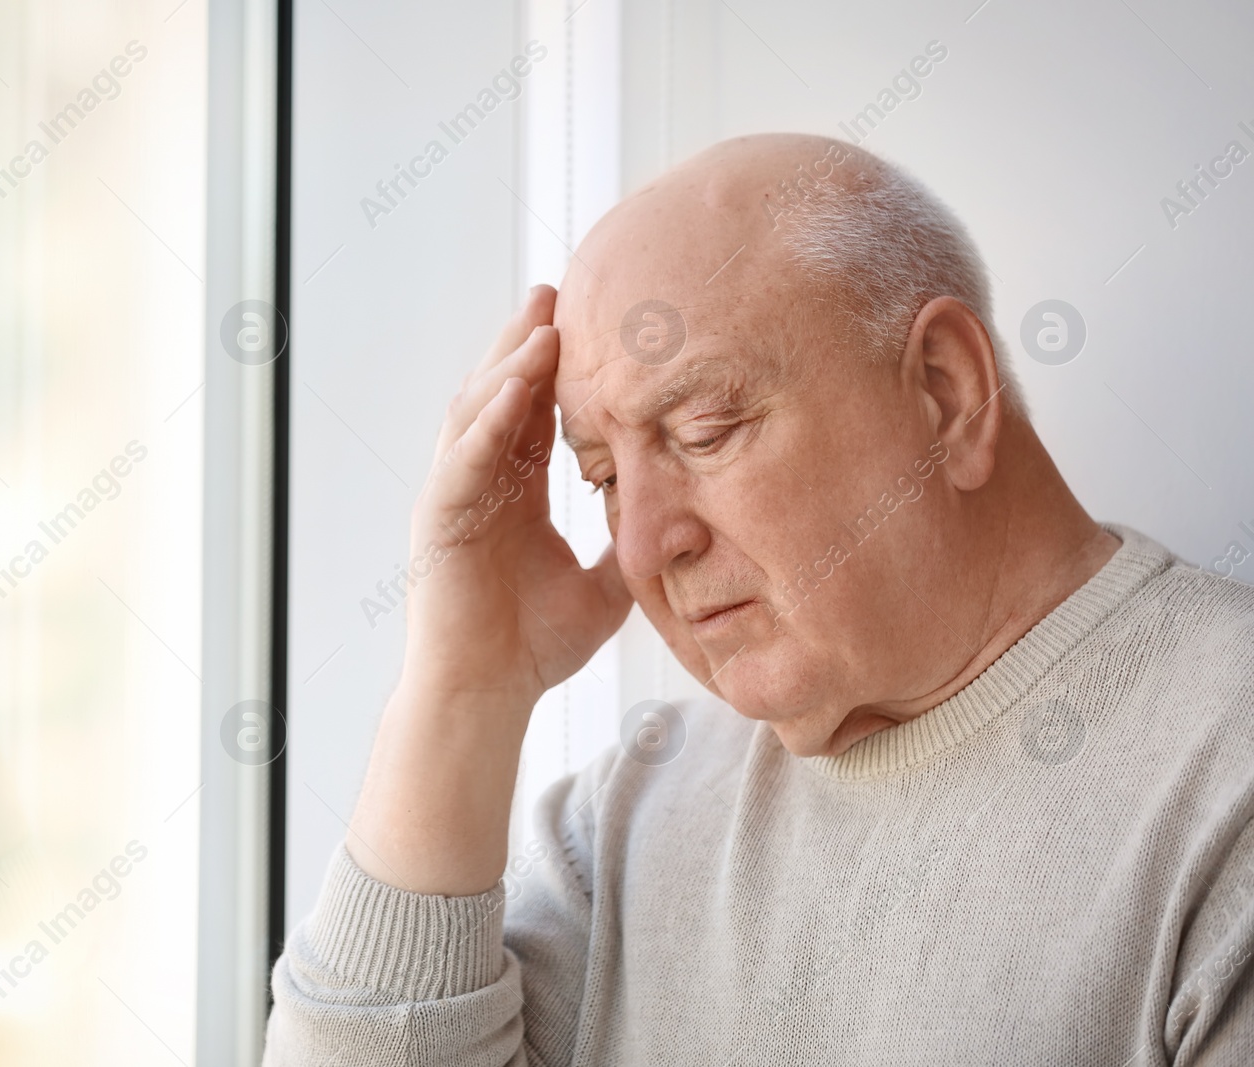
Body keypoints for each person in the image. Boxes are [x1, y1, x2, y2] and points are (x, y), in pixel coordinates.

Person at [264, 134, 1254, 1064]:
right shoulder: (623, 817)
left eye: (703, 429)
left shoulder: (1223, 779)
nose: (645, 541)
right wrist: (464, 688)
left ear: (946, 393)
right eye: (604, 477)